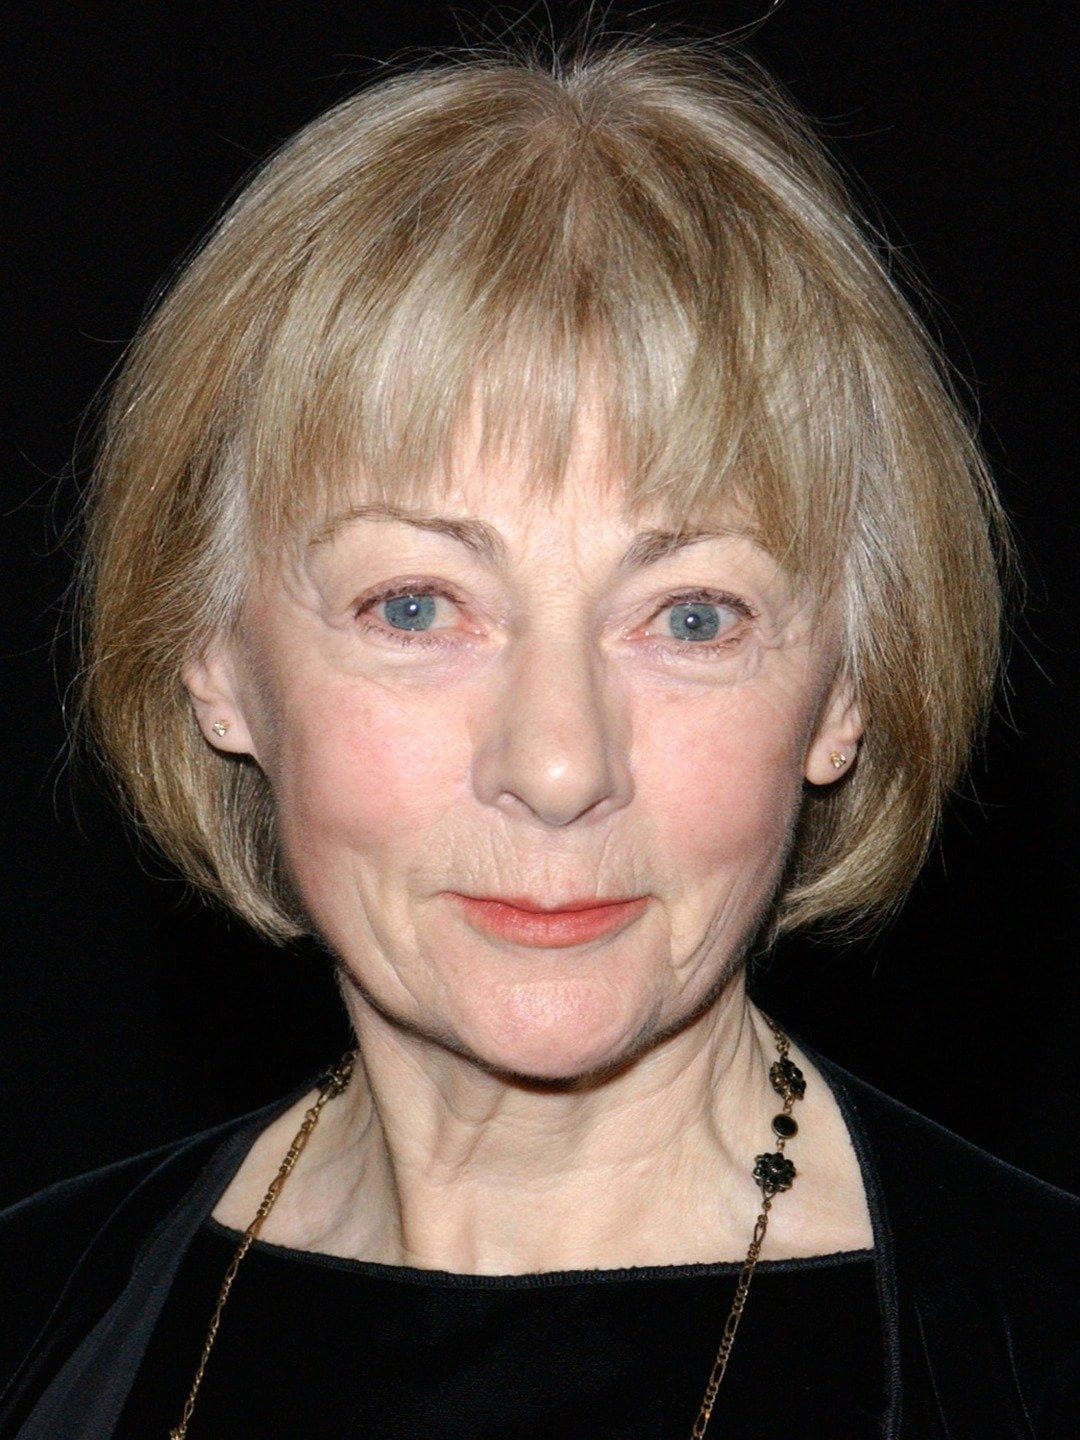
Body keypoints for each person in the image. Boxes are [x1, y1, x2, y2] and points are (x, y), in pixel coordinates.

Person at [1, 36, 1076, 1440]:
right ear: (214, 658)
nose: (560, 767)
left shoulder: (1034, 1350)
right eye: (415, 606)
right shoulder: (40, 1318)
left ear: (846, 691)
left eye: (692, 618)